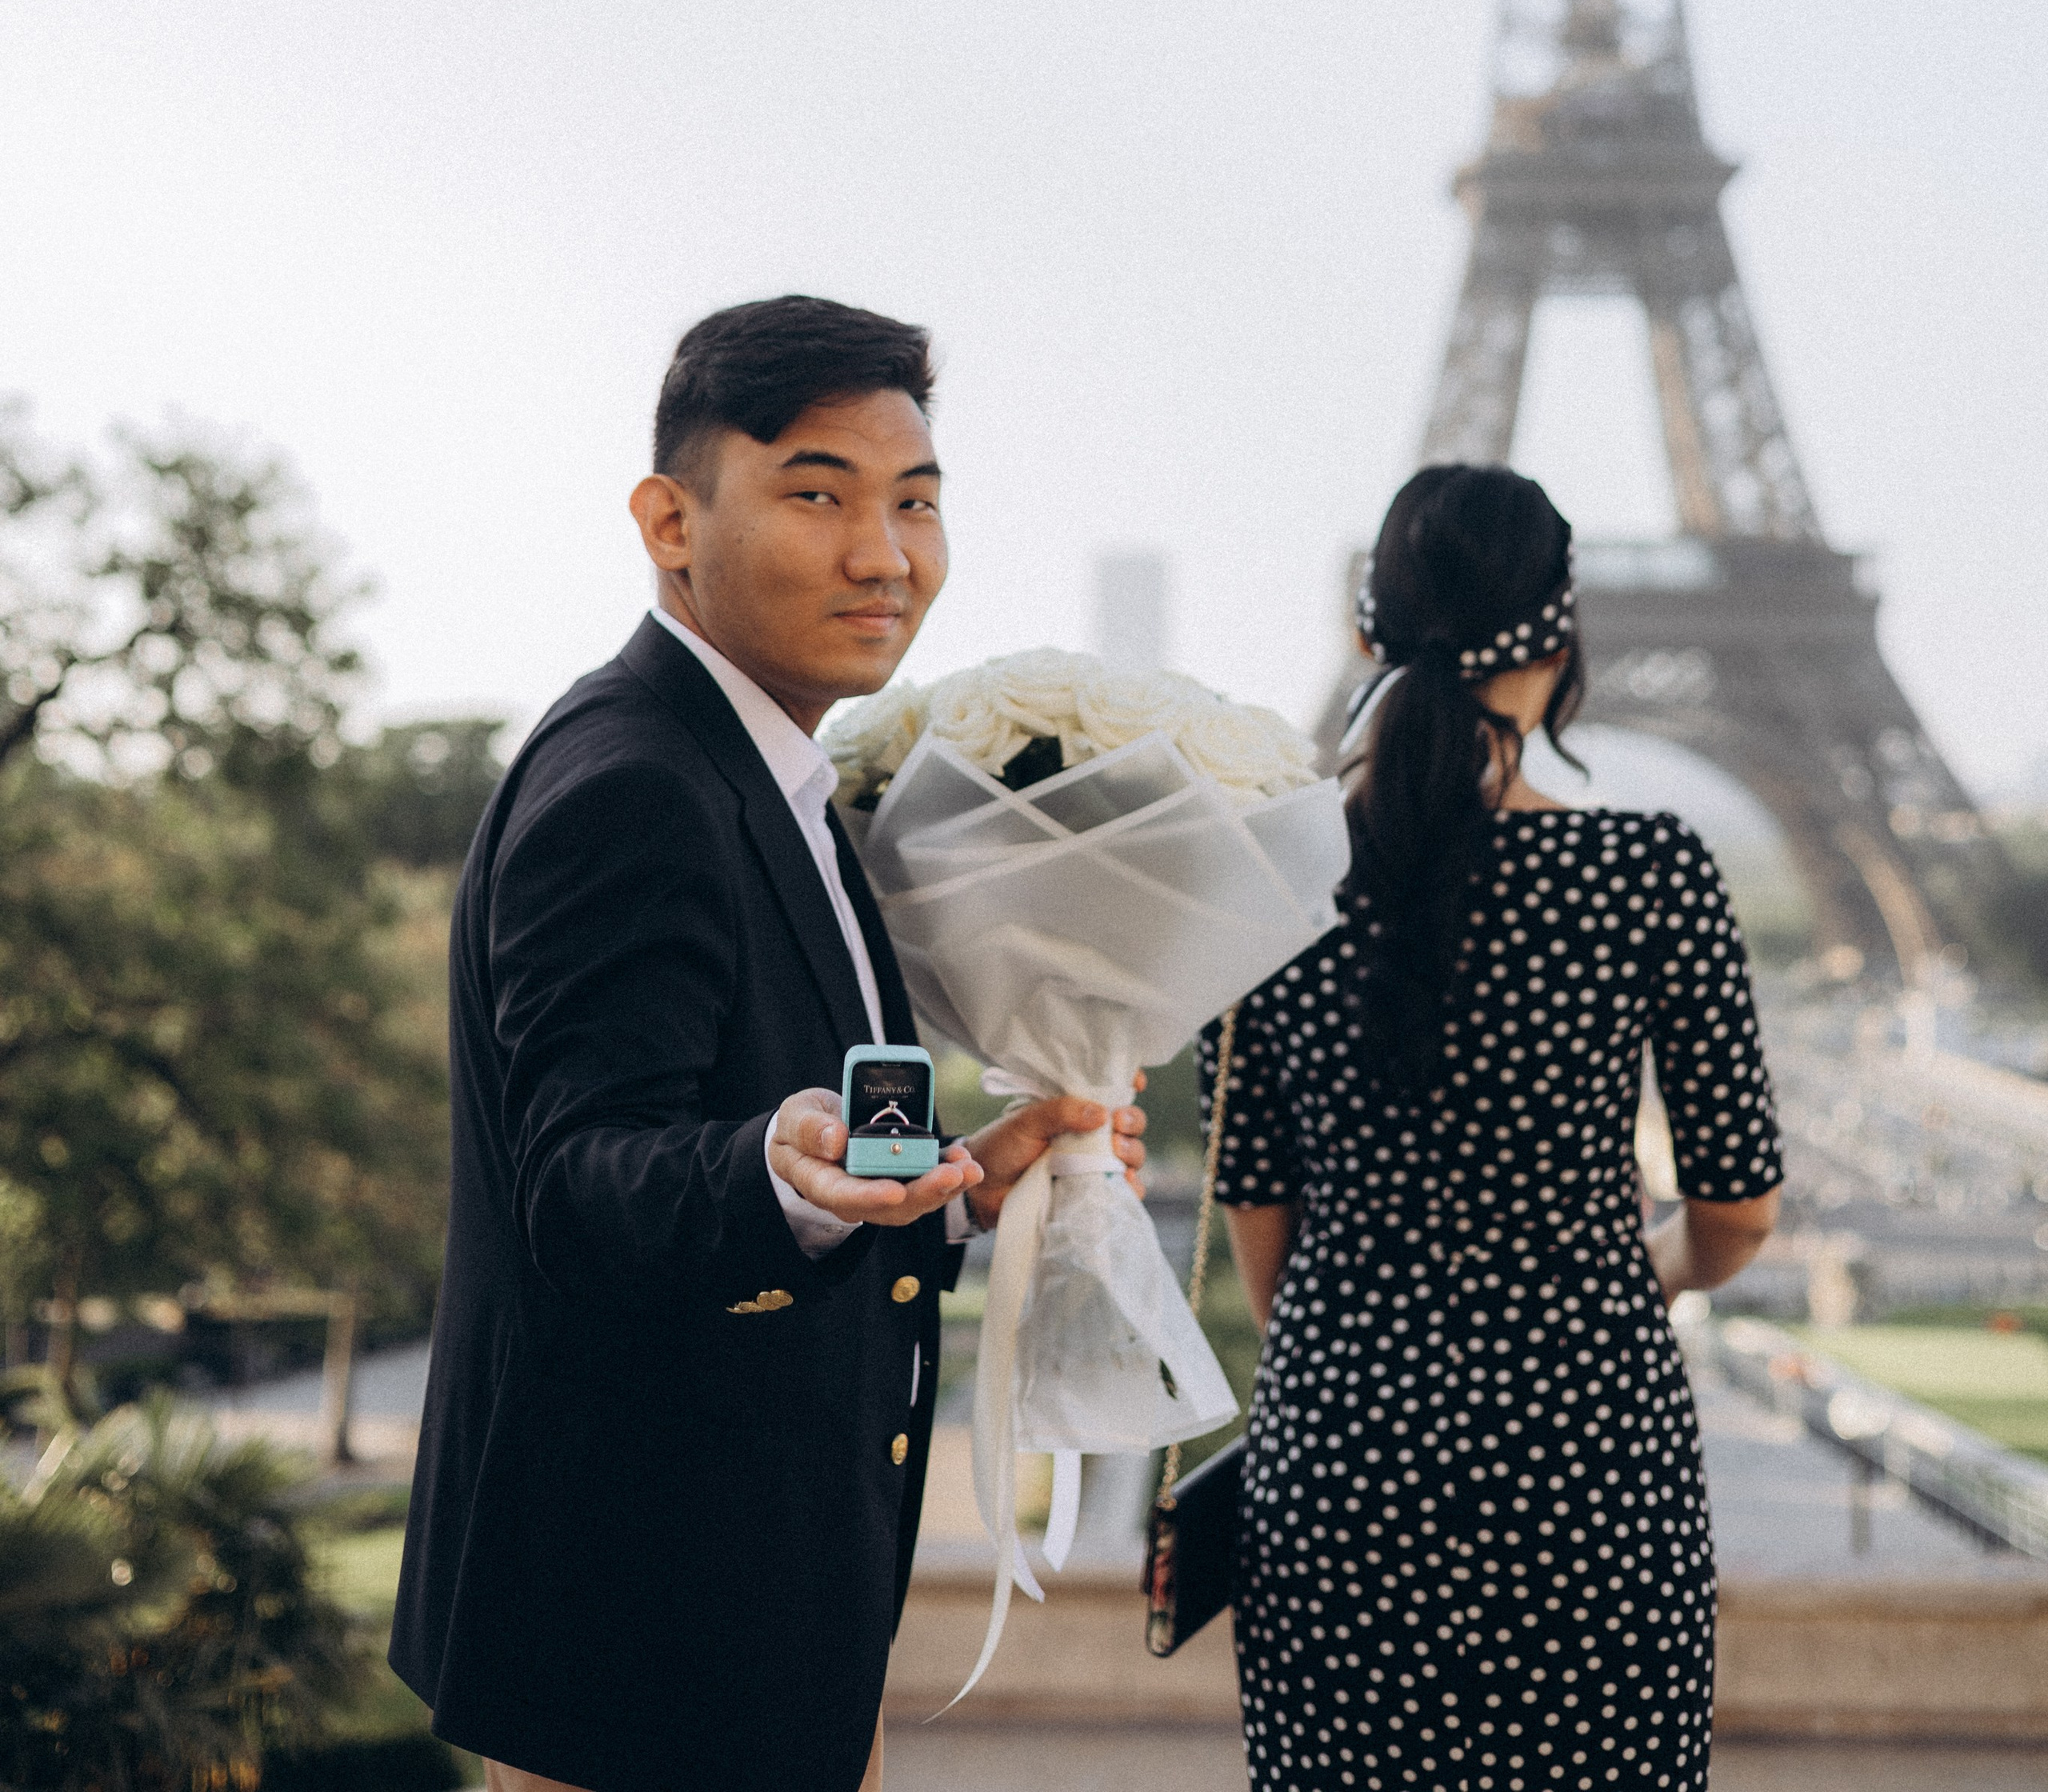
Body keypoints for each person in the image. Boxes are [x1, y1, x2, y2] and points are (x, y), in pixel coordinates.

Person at [390, 295, 1144, 1792]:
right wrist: (772, 1168)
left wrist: (959, 1176)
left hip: (741, 1609)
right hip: (651, 1636)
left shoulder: (756, 771)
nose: (886, 554)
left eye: (916, 502)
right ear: (670, 520)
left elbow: (767, 1118)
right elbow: (582, 1178)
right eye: (818, 493)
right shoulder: (638, 785)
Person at [1202, 462, 1782, 1792]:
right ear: (1560, 650)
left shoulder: (1265, 887)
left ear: (1366, 638)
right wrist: (1624, 1273)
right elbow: (1738, 1212)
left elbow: (1266, 1235)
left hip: (1342, 1466)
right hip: (1588, 1466)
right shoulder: (1648, 873)